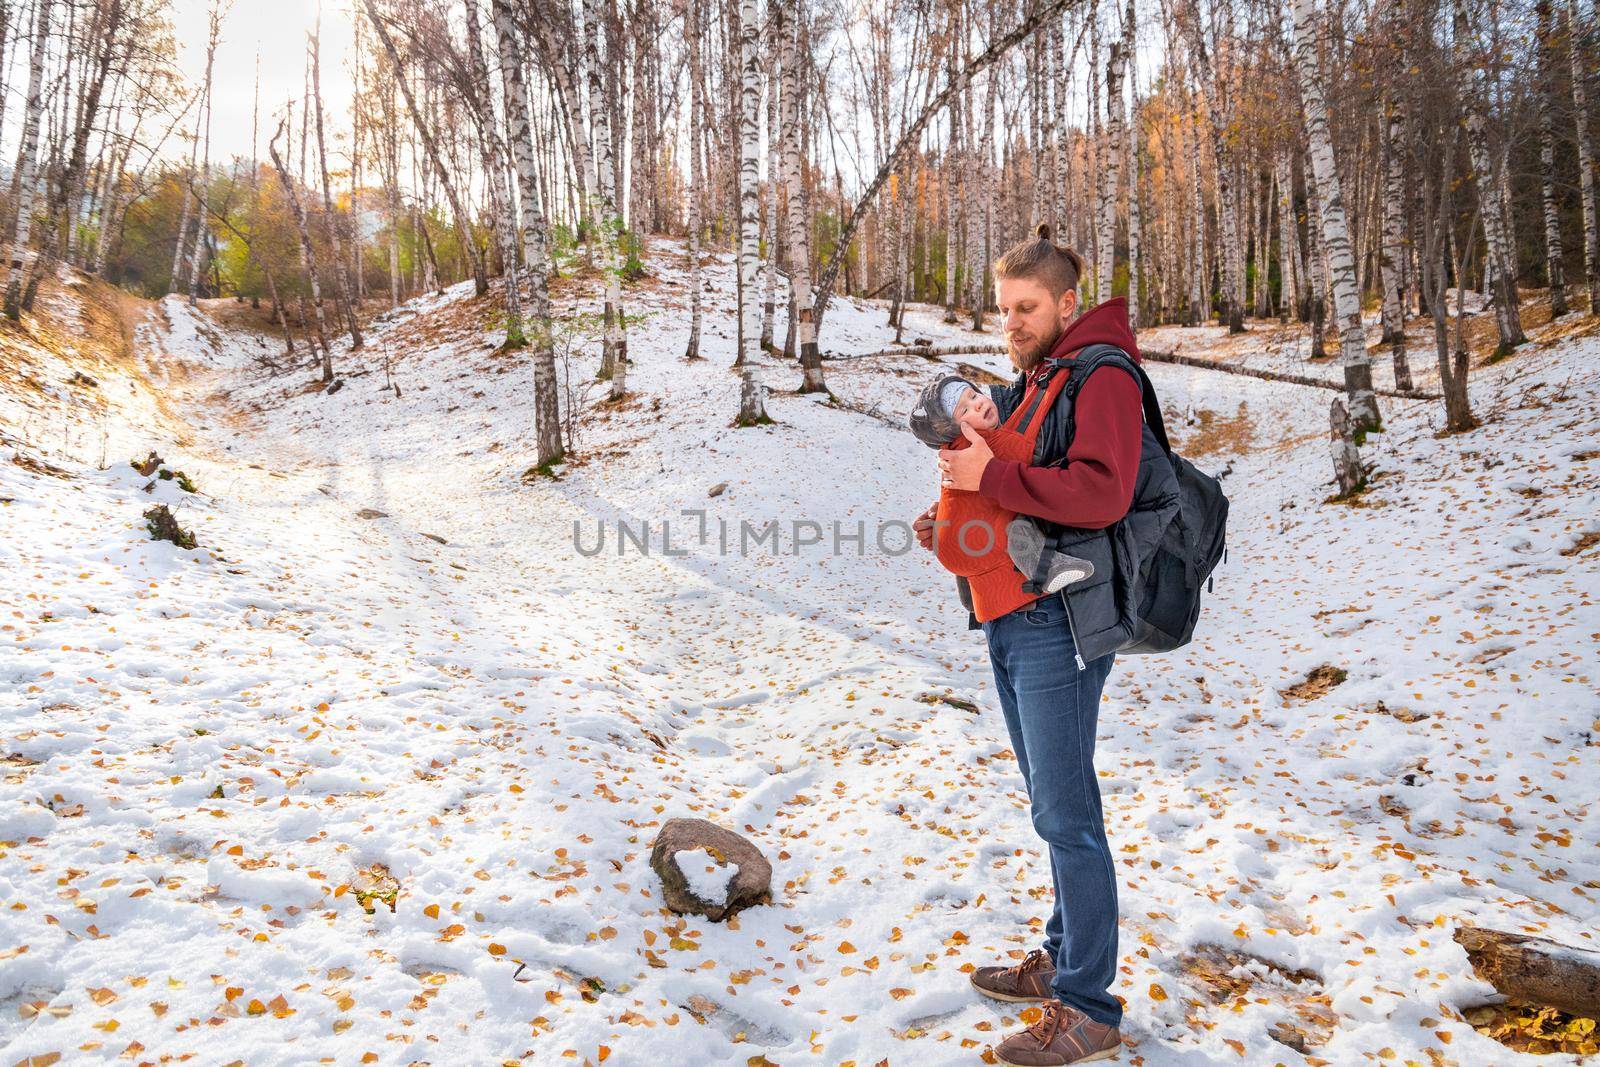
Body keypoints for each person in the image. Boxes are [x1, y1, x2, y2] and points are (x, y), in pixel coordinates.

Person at [913, 224, 1149, 1066]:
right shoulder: (1038, 379)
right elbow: (1014, 499)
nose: (1011, 321)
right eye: (1004, 307)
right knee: (1052, 802)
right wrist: (955, 510)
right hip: (1012, 614)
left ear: (1065, 305)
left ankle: (1089, 1004)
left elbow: (1102, 492)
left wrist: (990, 480)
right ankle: (1063, 956)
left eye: (1027, 307)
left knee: (1066, 811)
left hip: (1063, 619)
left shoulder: (1105, 376)